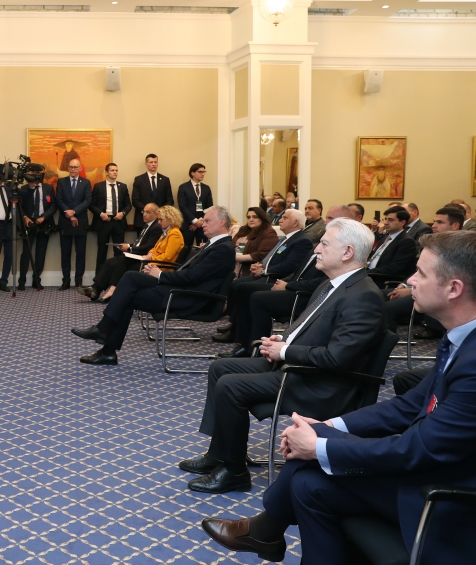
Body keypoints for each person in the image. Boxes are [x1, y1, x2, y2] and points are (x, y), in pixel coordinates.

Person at [202, 230, 476, 564]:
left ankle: (264, 530)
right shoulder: (460, 339)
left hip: (448, 498)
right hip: (430, 469)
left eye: (421, 273)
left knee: (309, 474)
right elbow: (408, 406)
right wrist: (330, 426)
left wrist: (319, 446)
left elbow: (419, 448)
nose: (410, 280)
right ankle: (264, 530)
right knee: (307, 481)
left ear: (454, 289)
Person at [180, 218, 385, 494]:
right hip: (300, 368)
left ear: (347, 252)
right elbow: (310, 328)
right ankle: (220, 453)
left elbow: (338, 358)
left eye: (324, 244)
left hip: (323, 383)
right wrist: (282, 340)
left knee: (230, 385)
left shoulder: (363, 296)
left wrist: (286, 351)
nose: (316, 249)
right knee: (220, 367)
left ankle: (234, 472)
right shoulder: (333, 285)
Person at [72, 205, 235, 365]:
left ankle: (106, 345)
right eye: (204, 220)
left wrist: (161, 275)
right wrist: (159, 273)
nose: (202, 224)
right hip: (180, 289)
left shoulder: (223, 248)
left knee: (126, 296)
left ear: (221, 222)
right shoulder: (215, 244)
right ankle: (103, 335)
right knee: (131, 277)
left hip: (187, 297)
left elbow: (192, 277)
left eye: (207, 221)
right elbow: (191, 274)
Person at [236, 206, 355, 357]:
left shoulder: (339, 250)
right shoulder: (320, 244)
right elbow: (298, 271)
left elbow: (321, 282)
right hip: (296, 287)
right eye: (327, 218)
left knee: (257, 298)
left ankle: (255, 350)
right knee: (244, 289)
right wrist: (283, 281)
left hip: (306, 296)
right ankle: (244, 342)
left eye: (330, 219)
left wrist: (289, 285)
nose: (325, 222)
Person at [213, 208, 312, 352]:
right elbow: (271, 258)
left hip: (277, 278)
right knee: (235, 285)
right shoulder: (286, 239)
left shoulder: (302, 241)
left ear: (295, 222)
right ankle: (236, 327)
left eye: (284, 218)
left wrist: (265, 271)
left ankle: (242, 337)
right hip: (267, 274)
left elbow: (290, 266)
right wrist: (260, 266)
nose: (280, 220)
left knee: (243, 288)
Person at [383, 206, 462, 344]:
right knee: (377, 295)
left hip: (442, 294)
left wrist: (411, 290)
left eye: (440, 222)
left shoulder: (462, 248)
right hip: (423, 287)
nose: (434, 226)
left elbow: (449, 280)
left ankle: (386, 347)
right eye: (434, 221)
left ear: (455, 225)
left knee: (389, 308)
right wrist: (403, 285)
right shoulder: (435, 243)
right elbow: (420, 271)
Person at [79, 202, 161, 302]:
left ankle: (112, 290)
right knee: (110, 262)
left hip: (144, 258)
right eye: (143, 212)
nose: (144, 214)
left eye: (148, 212)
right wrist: (128, 245)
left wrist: (129, 249)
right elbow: (139, 243)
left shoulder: (156, 227)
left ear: (156, 214)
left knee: (121, 260)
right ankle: (95, 289)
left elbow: (149, 247)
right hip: (137, 254)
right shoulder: (147, 225)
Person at [89, 163, 131, 276]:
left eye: (116, 170)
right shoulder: (99, 186)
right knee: (102, 251)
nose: (115, 172)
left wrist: (123, 213)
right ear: (106, 172)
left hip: (118, 222)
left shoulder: (123, 187)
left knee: (119, 252)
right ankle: (99, 279)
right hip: (103, 222)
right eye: (112, 170)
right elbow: (91, 205)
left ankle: (117, 278)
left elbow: (128, 205)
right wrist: (101, 214)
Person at [56, 159, 92, 290]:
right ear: (68, 168)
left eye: (75, 167)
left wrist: (74, 212)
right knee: (65, 253)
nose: (73, 169)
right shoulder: (61, 182)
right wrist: (70, 214)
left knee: (80, 253)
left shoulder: (86, 183)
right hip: (65, 220)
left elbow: (88, 201)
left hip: (81, 221)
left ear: (80, 168)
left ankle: (78, 281)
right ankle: (66, 281)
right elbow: (58, 200)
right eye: (71, 167)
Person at [17, 176, 56, 291]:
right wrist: (25, 217)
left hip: (44, 223)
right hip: (29, 223)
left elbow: (53, 205)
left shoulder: (48, 188)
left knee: (40, 253)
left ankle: (36, 280)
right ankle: (22, 281)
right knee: (26, 253)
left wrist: (44, 217)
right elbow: (19, 206)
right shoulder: (24, 188)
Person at [366, 206, 418, 280]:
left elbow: (394, 268)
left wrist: (366, 273)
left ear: (402, 222)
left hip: (381, 278)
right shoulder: (386, 237)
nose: (386, 223)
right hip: (369, 273)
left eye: (390, 220)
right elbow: (372, 256)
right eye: (386, 219)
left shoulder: (407, 241)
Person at [229, 207, 279, 279]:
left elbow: (262, 254)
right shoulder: (243, 229)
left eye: (255, 217)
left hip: (250, 269)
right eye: (248, 217)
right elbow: (231, 244)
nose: (251, 219)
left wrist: (237, 257)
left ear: (262, 218)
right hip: (233, 265)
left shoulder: (268, 232)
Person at [130, 154, 173, 233]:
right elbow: (135, 200)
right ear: (146, 164)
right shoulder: (139, 179)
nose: (153, 164)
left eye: (155, 162)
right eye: (151, 162)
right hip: (143, 220)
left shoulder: (165, 180)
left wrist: (160, 212)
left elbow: (170, 200)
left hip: (161, 220)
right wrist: (148, 212)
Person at [177, 163, 213, 247]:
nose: (203, 174)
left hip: (203, 224)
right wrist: (195, 221)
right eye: (200, 172)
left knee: (202, 248)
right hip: (188, 224)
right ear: (192, 173)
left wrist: (200, 221)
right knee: (186, 248)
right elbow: (182, 206)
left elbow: (210, 207)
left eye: (204, 172)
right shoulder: (183, 187)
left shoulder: (206, 188)